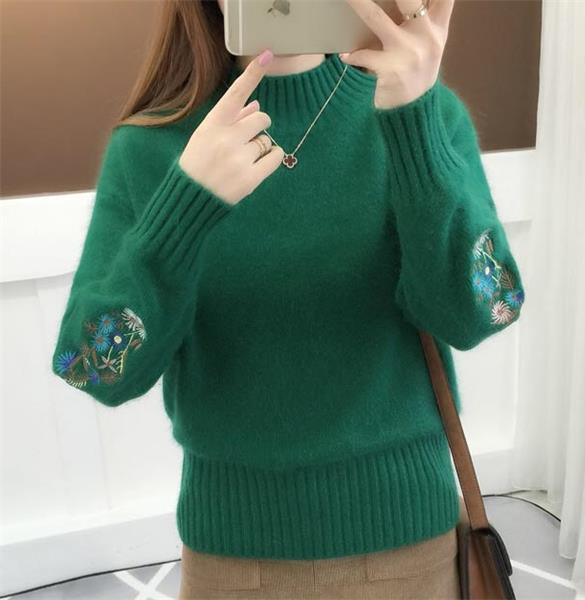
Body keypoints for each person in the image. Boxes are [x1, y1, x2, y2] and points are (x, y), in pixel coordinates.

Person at [50, 0, 526, 598]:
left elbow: (487, 308)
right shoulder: (152, 148)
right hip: (233, 561)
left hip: (409, 543)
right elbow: (93, 368)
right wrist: (185, 206)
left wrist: (417, 127)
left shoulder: (415, 110)